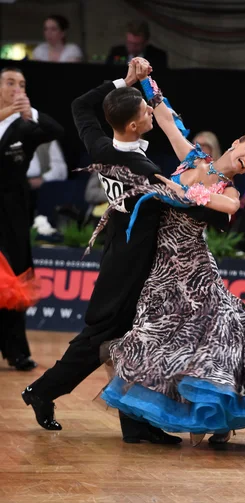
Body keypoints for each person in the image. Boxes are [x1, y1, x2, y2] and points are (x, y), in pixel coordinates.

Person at [98, 62, 245, 446]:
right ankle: (141, 422)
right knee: (153, 338)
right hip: (161, 269)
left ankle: (218, 415)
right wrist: (145, 76)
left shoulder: (231, 193)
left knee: (215, 344)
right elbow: (164, 116)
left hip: (196, 273)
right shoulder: (191, 158)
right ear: (234, 144)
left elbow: (223, 207)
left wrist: (182, 192)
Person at [22, 60, 228, 443]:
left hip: (121, 257)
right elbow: (186, 200)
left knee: (121, 339)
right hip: (132, 268)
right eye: (146, 111)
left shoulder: (100, 146)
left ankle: (133, 423)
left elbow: (81, 106)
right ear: (134, 125)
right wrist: (225, 192)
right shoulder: (141, 167)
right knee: (105, 337)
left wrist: (125, 81)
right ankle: (46, 391)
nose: (152, 111)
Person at [0, 67, 64, 371]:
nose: (17, 88)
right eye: (10, 82)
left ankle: (16, 350)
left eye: (22, 84)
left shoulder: (25, 126)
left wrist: (31, 112)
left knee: (12, 283)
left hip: (10, 215)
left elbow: (56, 131)